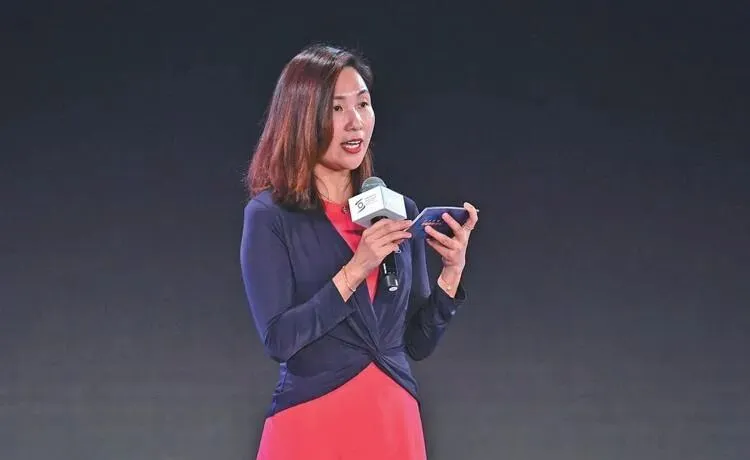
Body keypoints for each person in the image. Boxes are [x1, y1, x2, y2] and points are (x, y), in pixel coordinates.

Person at [239, 43, 479, 460]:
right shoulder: (269, 216)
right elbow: (279, 340)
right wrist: (356, 269)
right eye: (337, 108)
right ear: (302, 117)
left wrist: (451, 273)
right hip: (313, 425)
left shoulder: (398, 209)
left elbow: (416, 344)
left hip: (393, 426)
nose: (356, 122)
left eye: (363, 104)